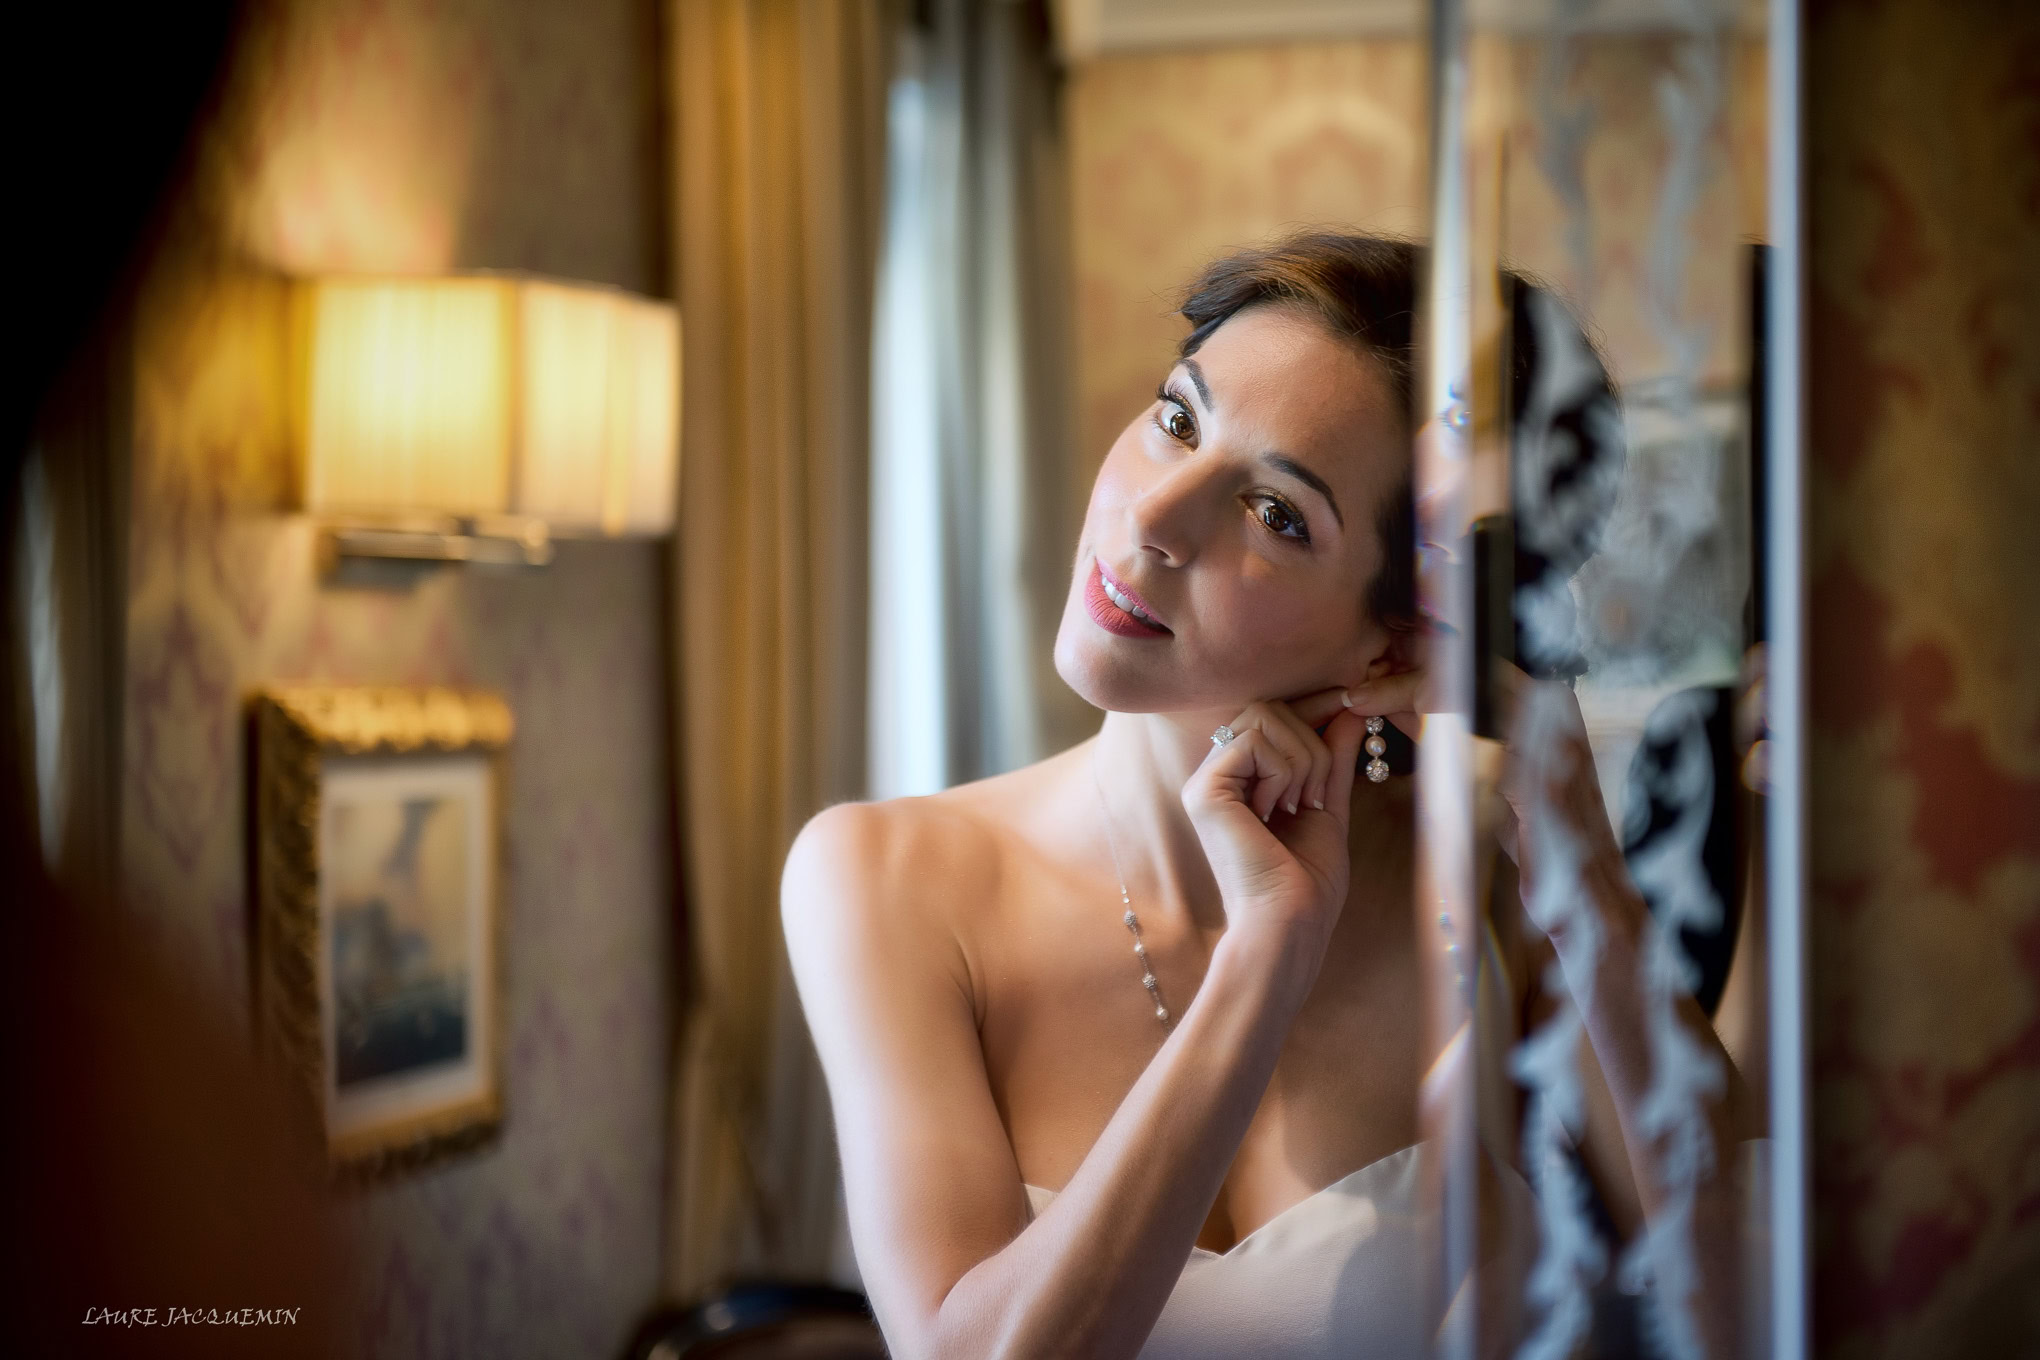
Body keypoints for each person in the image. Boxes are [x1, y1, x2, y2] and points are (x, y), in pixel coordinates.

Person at [783, 232, 1757, 1359]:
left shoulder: (1480, 890)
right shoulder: (884, 878)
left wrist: (1584, 871)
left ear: (1404, 633)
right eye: (1178, 419)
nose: (1153, 517)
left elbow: (1749, 1309)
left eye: (1278, 513)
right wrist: (1265, 958)